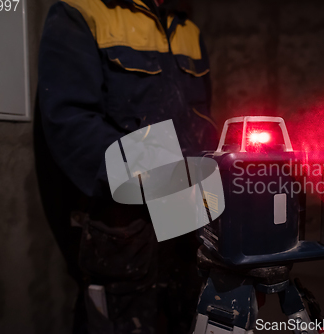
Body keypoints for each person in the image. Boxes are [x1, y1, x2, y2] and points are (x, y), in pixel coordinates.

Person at [35, 0, 217, 333]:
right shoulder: (82, 12)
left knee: (186, 318)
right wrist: (168, 171)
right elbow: (70, 124)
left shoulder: (187, 27)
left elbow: (202, 121)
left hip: (188, 220)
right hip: (122, 229)